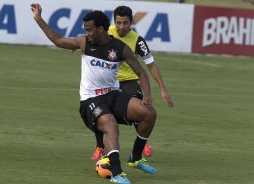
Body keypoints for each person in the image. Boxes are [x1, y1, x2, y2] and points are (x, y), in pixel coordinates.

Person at [31, 3, 157, 184]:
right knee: (111, 125)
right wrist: (38, 19)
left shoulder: (121, 49)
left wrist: (147, 94)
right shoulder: (83, 43)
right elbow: (58, 40)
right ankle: (116, 173)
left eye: (89, 30)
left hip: (113, 95)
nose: (87, 33)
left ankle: (136, 158)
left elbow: (141, 73)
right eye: (85, 30)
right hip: (90, 100)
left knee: (149, 113)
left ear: (100, 29)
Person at [91, 5, 174, 161]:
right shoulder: (106, 32)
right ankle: (99, 146)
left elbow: (151, 65)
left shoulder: (137, 40)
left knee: (141, 107)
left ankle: (142, 143)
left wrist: (163, 89)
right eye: (118, 22)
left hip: (128, 80)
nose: (122, 26)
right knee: (100, 109)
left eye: (125, 23)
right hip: (108, 79)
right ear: (114, 21)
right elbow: (88, 39)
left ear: (131, 23)